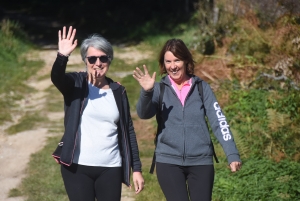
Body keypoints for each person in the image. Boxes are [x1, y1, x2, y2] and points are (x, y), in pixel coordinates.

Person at [133, 38, 241, 201]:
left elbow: (219, 121)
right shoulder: (159, 89)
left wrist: (231, 153)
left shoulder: (201, 87)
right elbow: (143, 113)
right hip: (168, 160)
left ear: (186, 60)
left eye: (177, 60)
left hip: (201, 161)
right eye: (168, 61)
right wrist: (147, 92)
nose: (173, 66)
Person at [51, 26, 144, 201]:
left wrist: (136, 169)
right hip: (77, 168)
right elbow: (57, 78)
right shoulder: (76, 84)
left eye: (103, 58)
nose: (98, 63)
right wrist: (62, 56)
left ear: (110, 60)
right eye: (92, 58)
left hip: (110, 167)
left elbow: (128, 131)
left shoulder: (118, 91)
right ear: (85, 60)